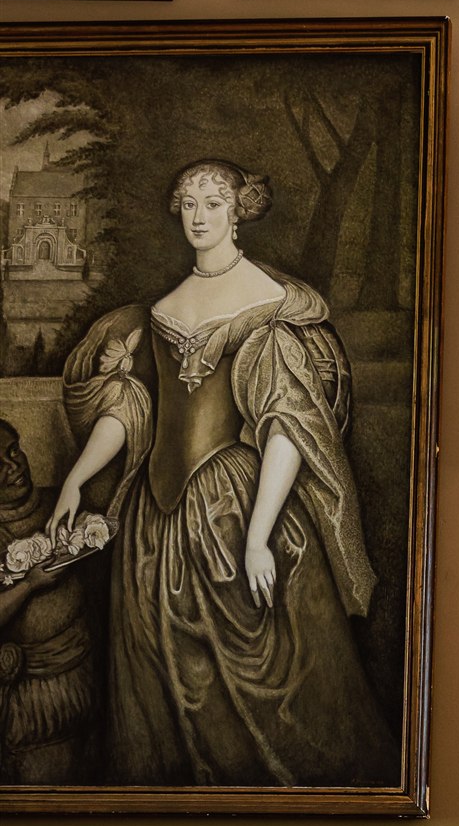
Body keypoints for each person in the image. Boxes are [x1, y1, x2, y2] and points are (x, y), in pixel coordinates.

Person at [50, 159, 397, 787]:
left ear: (239, 211)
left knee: (260, 669)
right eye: (188, 204)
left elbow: (286, 427)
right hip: (153, 525)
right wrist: (78, 477)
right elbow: (137, 409)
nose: (199, 216)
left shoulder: (268, 305)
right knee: (163, 676)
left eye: (213, 203)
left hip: (236, 507)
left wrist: (260, 534)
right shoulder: (162, 306)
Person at [0, 420, 98, 784]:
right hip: (37, 703)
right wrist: (29, 585)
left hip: (83, 678)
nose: (15, 466)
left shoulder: (54, 504)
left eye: (14, 451)